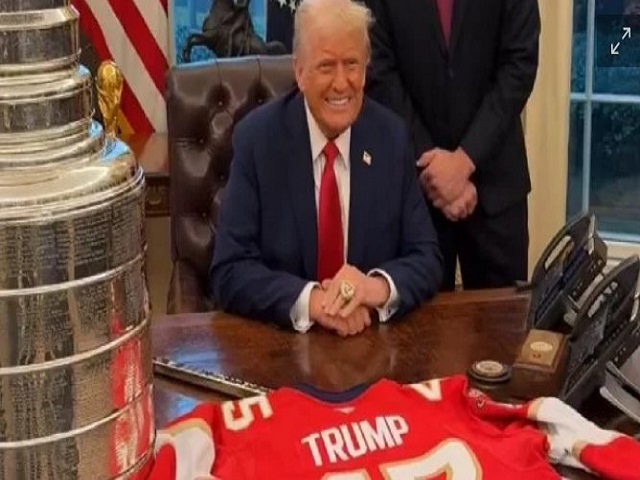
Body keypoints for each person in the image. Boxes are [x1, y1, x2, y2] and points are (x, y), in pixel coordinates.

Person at [209, 0, 443, 336]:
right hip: (282, 346)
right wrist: (315, 302)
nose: (341, 83)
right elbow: (230, 270)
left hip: (371, 345)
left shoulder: (390, 138)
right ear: (299, 72)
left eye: (352, 64)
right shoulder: (258, 141)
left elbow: (427, 257)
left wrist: (372, 288)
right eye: (326, 66)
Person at [364, 0, 541, 291]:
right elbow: (378, 71)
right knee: (415, 315)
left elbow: (520, 64)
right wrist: (432, 166)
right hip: (415, 187)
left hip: (494, 186)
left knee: (504, 316)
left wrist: (465, 160)